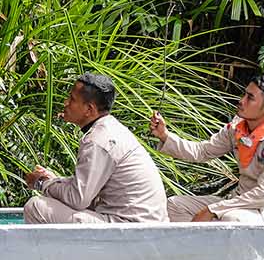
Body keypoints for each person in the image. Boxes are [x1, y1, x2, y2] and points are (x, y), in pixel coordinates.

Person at [149, 75, 264, 223]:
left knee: (232, 218)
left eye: (250, 98)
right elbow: (202, 151)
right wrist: (164, 136)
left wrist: (212, 210)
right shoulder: (237, 128)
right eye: (244, 94)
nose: (241, 101)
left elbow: (263, 195)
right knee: (174, 206)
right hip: (238, 203)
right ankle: (196, 247)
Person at [23, 73, 168, 224]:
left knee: (36, 207)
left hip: (131, 230)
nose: (66, 103)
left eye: (72, 99)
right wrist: (53, 181)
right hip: (144, 228)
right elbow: (86, 192)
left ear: (89, 110)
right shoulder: (109, 129)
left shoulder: (98, 140)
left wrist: (41, 183)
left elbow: (78, 199)